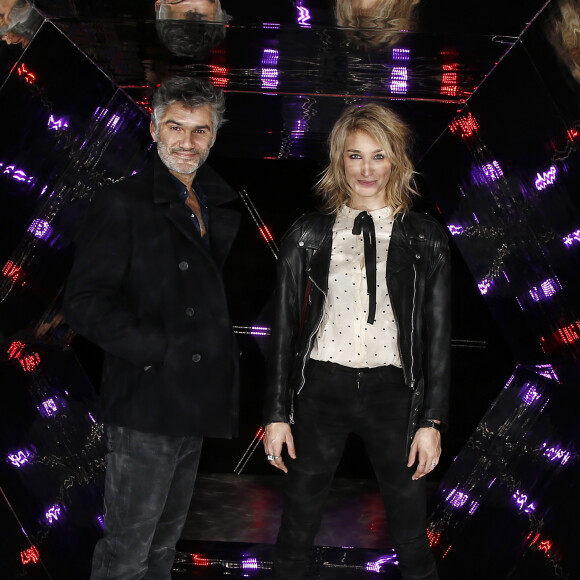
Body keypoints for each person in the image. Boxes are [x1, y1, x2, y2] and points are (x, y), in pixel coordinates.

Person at [263, 102, 450, 580]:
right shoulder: (307, 233)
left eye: (379, 155)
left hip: (394, 394)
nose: (367, 169)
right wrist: (275, 415)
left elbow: (437, 336)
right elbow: (282, 332)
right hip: (320, 390)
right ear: (338, 160)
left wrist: (432, 420)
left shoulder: (425, 237)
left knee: (410, 528)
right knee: (298, 524)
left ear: (397, 160)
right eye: (354, 156)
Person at [64, 76, 240, 580]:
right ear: (153, 126)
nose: (187, 142)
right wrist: (157, 348)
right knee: (128, 550)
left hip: (192, 399)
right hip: (145, 398)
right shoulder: (123, 201)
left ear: (215, 134)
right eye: (175, 127)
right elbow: (84, 301)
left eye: (200, 131)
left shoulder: (209, 200)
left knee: (164, 544)